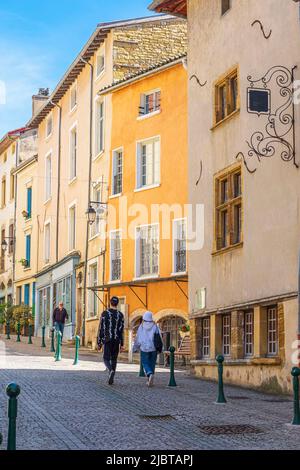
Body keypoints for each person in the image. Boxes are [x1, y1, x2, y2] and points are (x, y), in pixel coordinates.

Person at [97, 296, 125, 385]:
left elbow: (101, 328)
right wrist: (122, 343)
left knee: (106, 358)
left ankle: (110, 370)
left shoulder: (105, 313)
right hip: (116, 340)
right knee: (114, 359)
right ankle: (112, 373)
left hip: (107, 339)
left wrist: (99, 342)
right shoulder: (120, 315)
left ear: (110, 303)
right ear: (117, 304)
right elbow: (121, 330)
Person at [133, 311, 163, 387]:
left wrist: (135, 347)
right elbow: (159, 337)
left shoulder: (141, 326)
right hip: (153, 348)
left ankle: (149, 374)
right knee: (152, 363)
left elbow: (138, 338)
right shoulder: (155, 326)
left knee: (145, 362)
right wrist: (161, 348)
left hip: (144, 348)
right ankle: (150, 379)